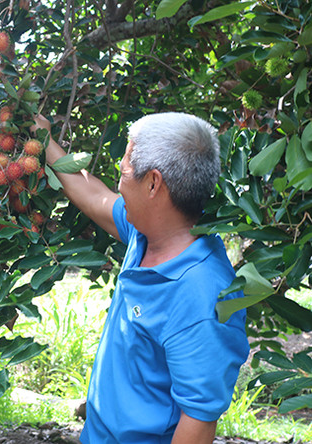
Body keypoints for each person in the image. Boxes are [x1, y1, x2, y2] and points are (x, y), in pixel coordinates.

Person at [35, 112, 249, 443]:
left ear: (152, 183)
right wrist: (44, 140)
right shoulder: (149, 230)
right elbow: (94, 197)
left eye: (124, 170)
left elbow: (198, 423)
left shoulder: (202, 296)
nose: (119, 180)